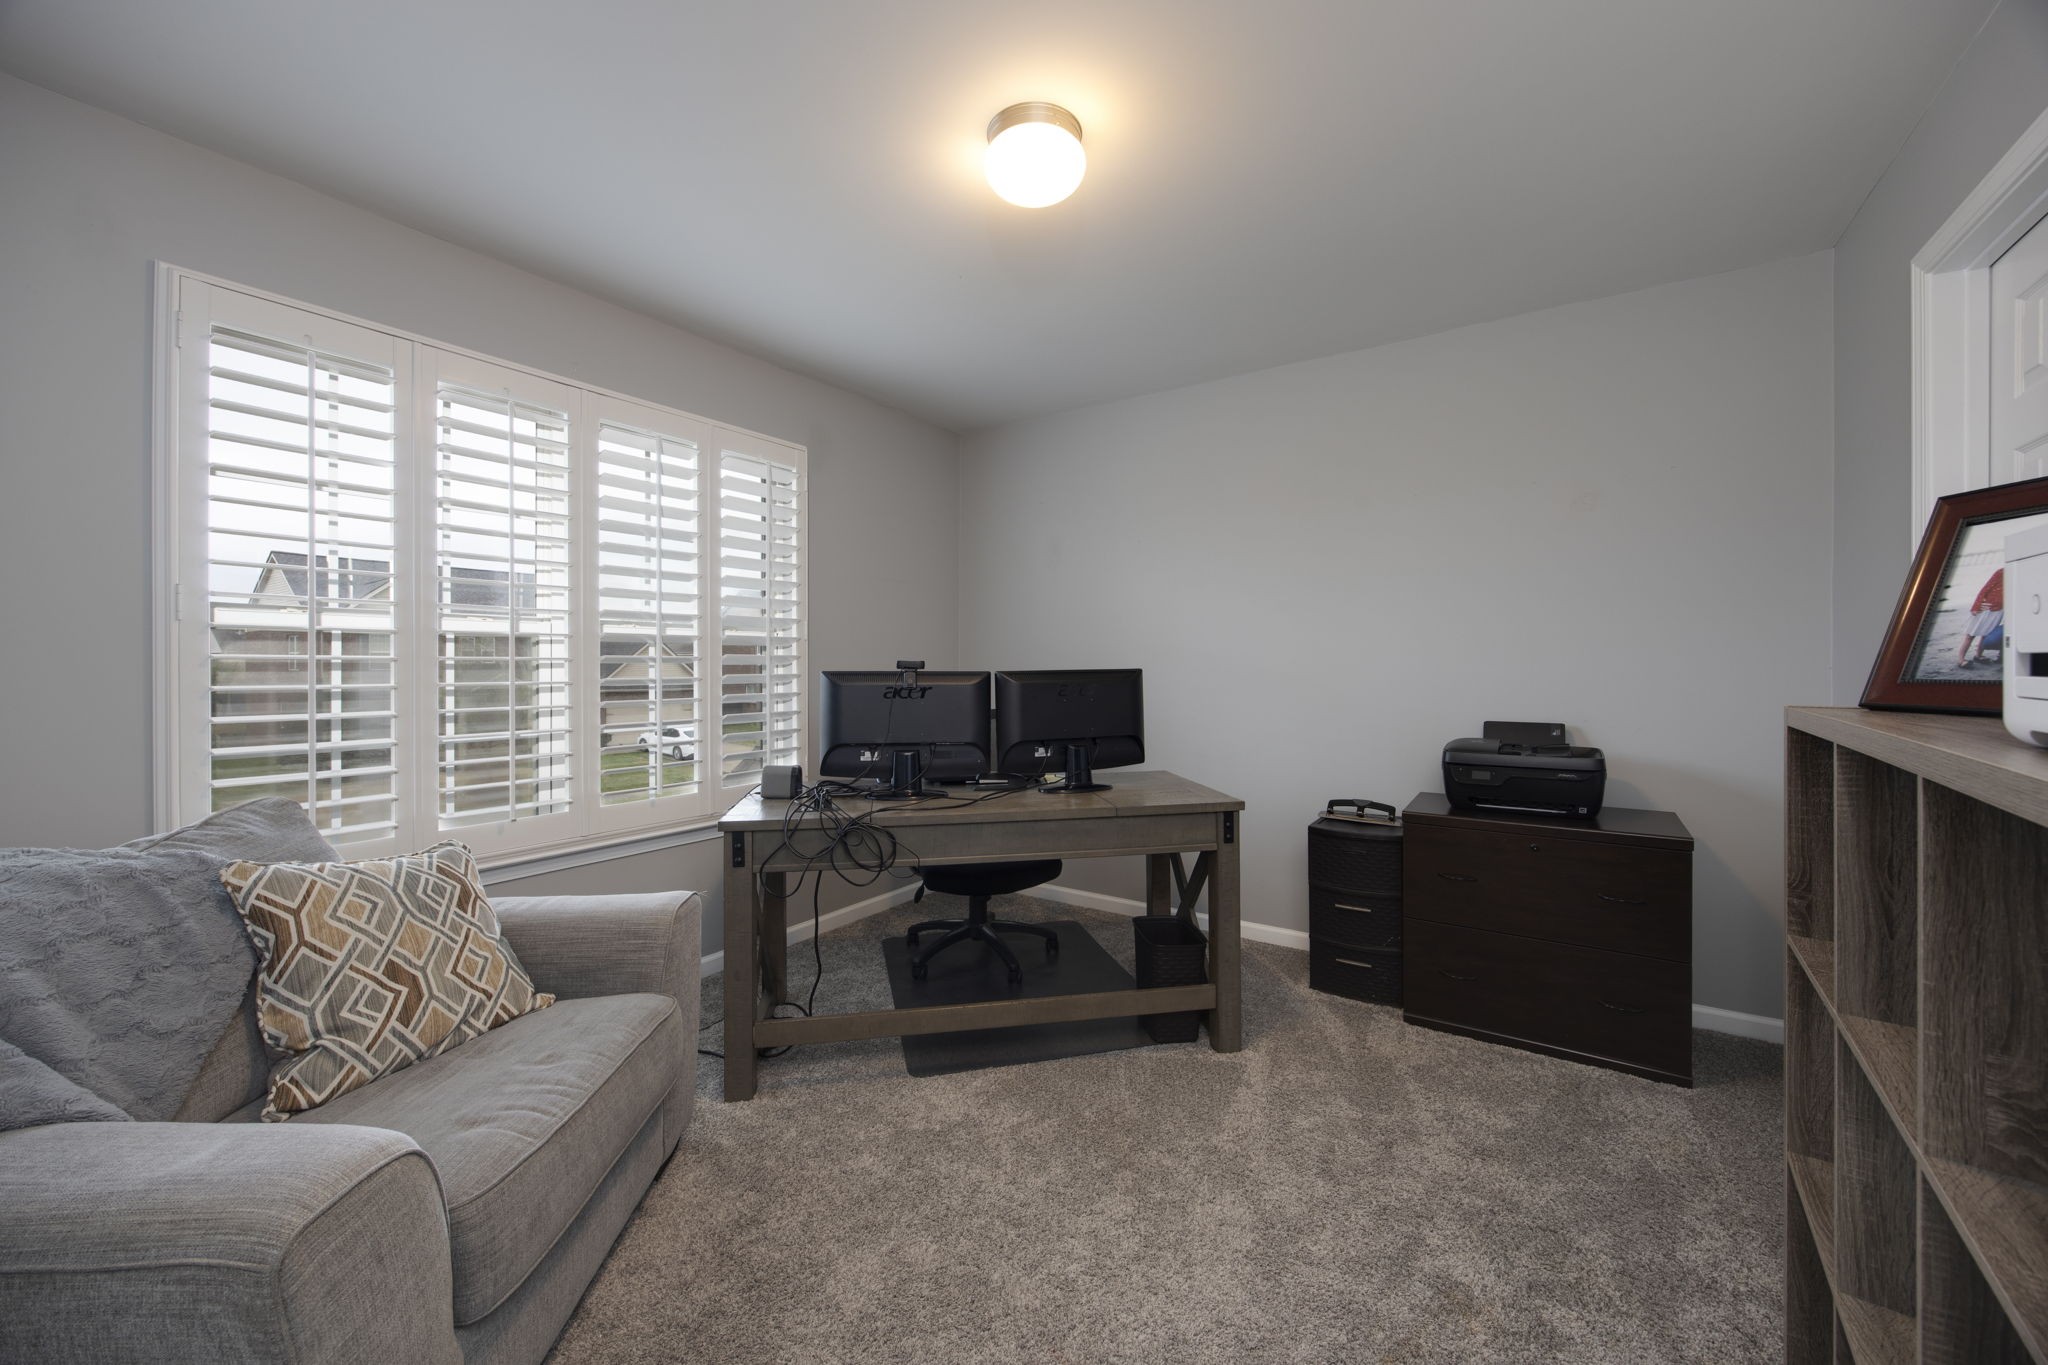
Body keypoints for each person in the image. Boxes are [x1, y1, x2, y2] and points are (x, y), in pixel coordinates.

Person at [1959, 567, 2004, 665]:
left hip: (1998, 611)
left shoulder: (2018, 574)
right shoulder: (2001, 572)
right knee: (1970, 635)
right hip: (1984, 609)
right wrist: (1976, 606)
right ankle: (1961, 659)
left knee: (1985, 634)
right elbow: (1985, 589)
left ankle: (1978, 655)